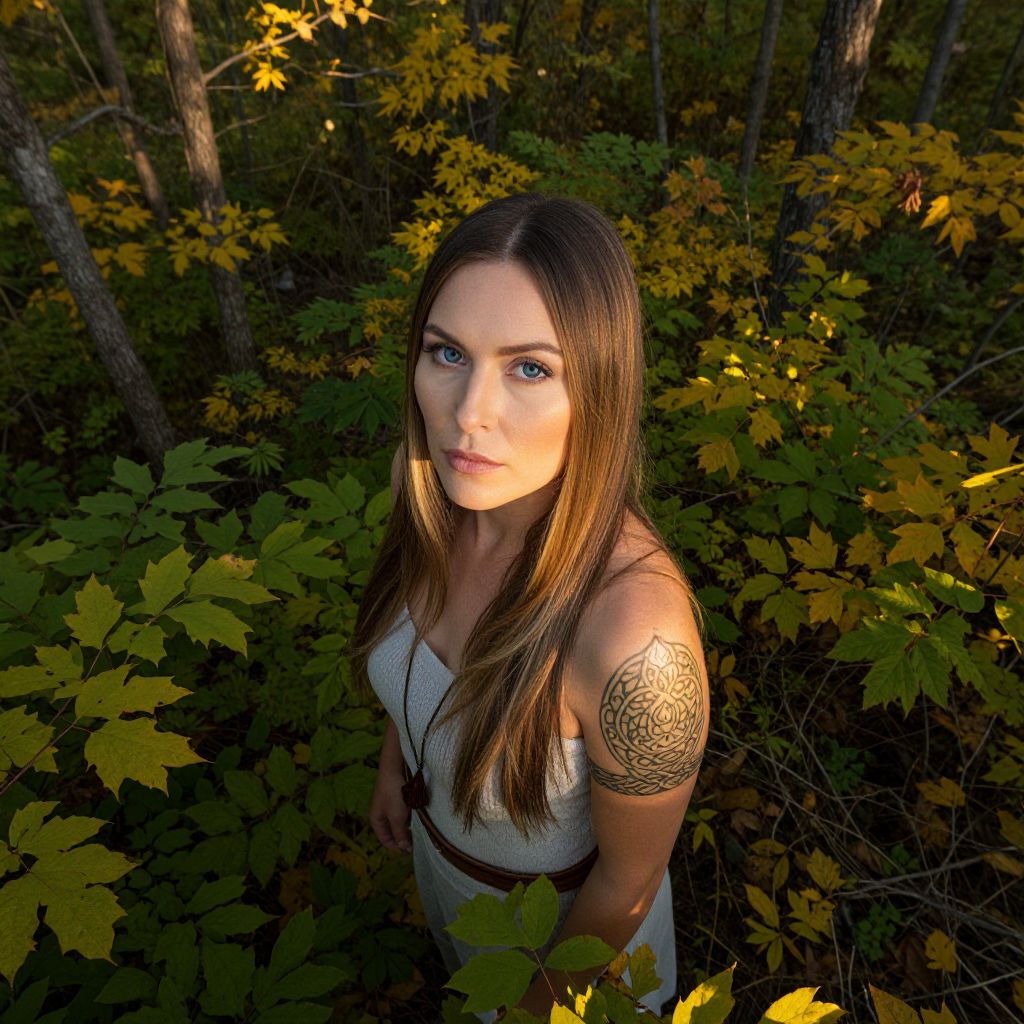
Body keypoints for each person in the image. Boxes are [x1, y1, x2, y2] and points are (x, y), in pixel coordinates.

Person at [351, 192, 710, 1020]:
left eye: (531, 368)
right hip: (450, 886)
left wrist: (533, 1009)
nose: (468, 415)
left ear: (602, 389)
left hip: (568, 959)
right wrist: (395, 765)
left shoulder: (635, 639)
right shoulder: (438, 511)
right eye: (447, 354)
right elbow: (420, 679)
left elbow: (627, 880)